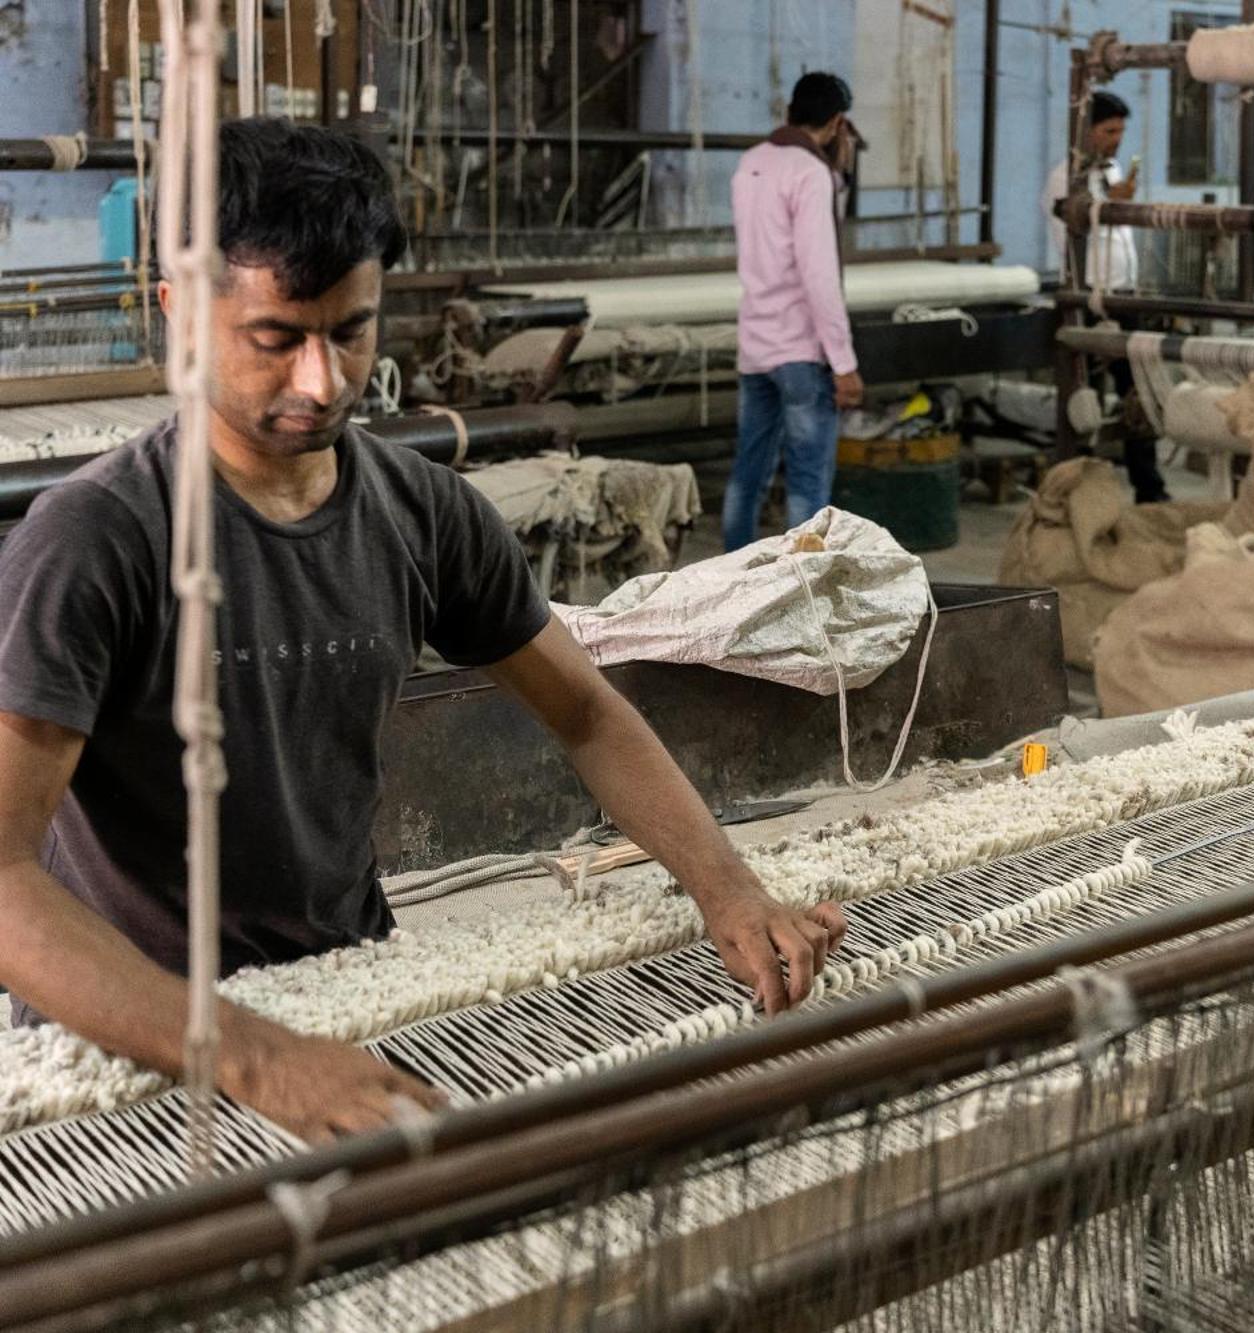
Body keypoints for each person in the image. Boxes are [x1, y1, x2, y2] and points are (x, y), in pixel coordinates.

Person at [0, 119, 845, 1144]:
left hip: (354, 984)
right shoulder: (96, 541)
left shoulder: (422, 514)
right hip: (128, 1046)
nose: (322, 381)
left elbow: (584, 712)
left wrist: (728, 886)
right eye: (276, 339)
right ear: (178, 311)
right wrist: (255, 1054)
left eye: (351, 331)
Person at [724, 71, 863, 551]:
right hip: (800, 352)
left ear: (789, 112)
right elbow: (819, 274)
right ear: (837, 122)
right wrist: (844, 364)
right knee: (806, 478)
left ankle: (729, 576)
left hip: (755, 346)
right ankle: (801, 588)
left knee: (749, 471)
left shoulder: (751, 162)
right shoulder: (810, 173)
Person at [1041, 91, 1169, 504]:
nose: (1116, 139)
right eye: (1109, 131)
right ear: (1087, 131)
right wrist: (1104, 208)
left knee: (1137, 394)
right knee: (1084, 399)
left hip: (1123, 295)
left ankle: (1149, 490)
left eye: (1120, 131)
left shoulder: (1112, 171)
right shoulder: (1064, 179)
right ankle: (1080, 490)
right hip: (1087, 300)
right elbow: (1071, 234)